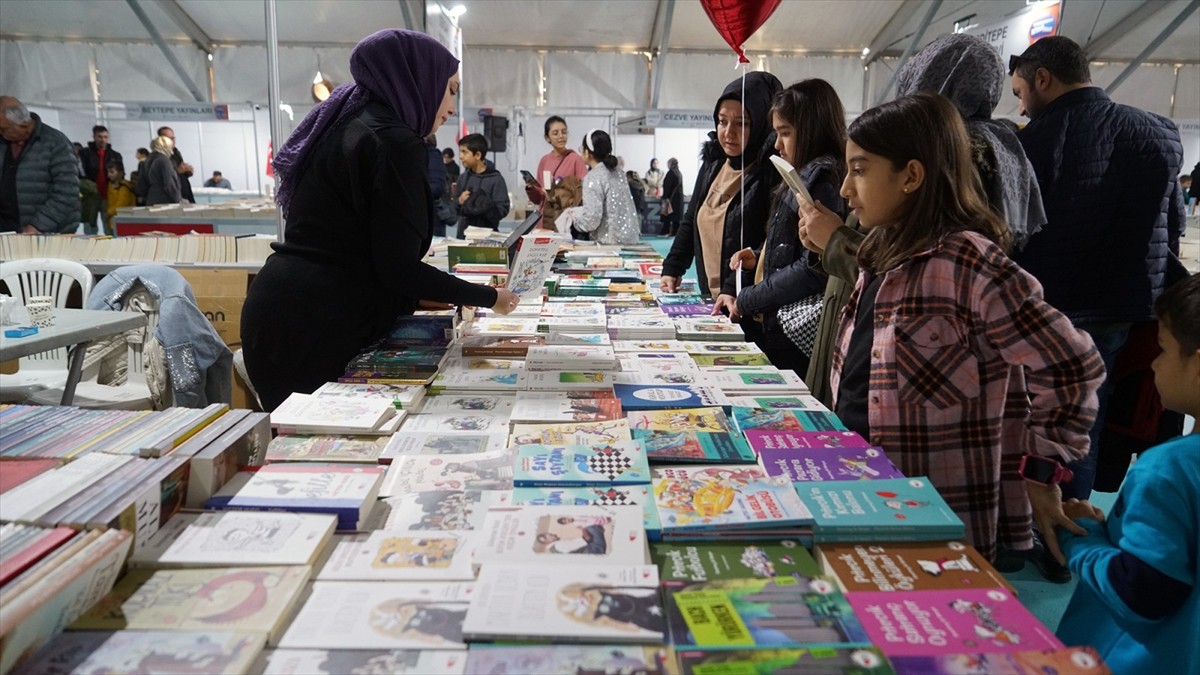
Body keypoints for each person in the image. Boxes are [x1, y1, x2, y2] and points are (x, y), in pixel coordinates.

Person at [829, 92, 1104, 563]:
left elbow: (1072, 365)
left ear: (911, 175)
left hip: (943, 516)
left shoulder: (968, 266)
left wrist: (1039, 469)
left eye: (859, 169)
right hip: (865, 488)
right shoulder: (880, 256)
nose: (844, 190)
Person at [241, 29, 520, 411]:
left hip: (287, 316)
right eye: (450, 89)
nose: (452, 107)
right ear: (417, 79)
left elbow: (353, 243)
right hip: (320, 328)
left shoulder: (347, 124)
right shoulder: (395, 142)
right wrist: (491, 298)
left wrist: (419, 293)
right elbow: (397, 267)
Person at [1009, 37, 1185, 517]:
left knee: (1054, 423)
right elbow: (1173, 226)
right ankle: (1075, 519)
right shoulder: (1161, 133)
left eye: (1021, 91)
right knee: (1096, 417)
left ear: (1043, 79)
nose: (1021, 105)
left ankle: (1048, 529)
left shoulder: (1034, 142)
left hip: (1054, 306)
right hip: (1132, 308)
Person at [1055, 272, 1200, 674]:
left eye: (1165, 350)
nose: (1154, 362)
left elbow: (1141, 592)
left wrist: (1081, 539)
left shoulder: (1170, 468)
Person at [725, 79, 847, 375]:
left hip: (792, 329)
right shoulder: (805, 173)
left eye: (786, 134)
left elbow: (813, 267)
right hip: (778, 321)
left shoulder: (823, 180)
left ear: (811, 130)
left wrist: (750, 298)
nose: (777, 144)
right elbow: (796, 245)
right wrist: (761, 256)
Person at [661, 72, 782, 308]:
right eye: (722, 121)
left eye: (742, 123)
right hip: (712, 300)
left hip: (747, 304)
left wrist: (733, 286)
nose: (728, 133)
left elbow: (770, 244)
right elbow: (691, 218)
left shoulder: (771, 172)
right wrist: (673, 266)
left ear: (761, 123)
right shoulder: (714, 163)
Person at [0, 96, 79, 233]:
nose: (1, 133)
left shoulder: (56, 143)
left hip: (47, 233)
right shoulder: (3, 143)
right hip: (8, 230)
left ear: (23, 125)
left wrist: (37, 226)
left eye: (3, 129)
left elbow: (66, 192)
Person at [557, 129, 640, 245]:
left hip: (607, 244)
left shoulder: (593, 177)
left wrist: (574, 218)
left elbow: (591, 221)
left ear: (587, 152)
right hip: (630, 240)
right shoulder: (618, 172)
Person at [524, 115, 589, 230]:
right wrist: (531, 188)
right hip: (545, 220)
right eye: (555, 133)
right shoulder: (544, 161)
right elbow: (539, 199)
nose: (561, 136)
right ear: (547, 138)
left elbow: (585, 192)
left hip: (565, 220)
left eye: (564, 132)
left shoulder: (575, 159)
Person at [452, 132, 509, 237]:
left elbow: (503, 210)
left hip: (487, 236)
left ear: (477, 155)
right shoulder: (463, 178)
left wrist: (485, 205)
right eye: (460, 152)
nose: (460, 157)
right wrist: (459, 201)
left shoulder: (496, 179)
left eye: (464, 152)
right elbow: (454, 209)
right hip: (463, 236)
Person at [79, 125, 122, 235]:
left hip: (108, 195)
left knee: (109, 226)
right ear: (94, 136)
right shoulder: (84, 154)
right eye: (100, 137)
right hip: (90, 195)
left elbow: (120, 173)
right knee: (90, 228)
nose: (103, 140)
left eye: (105, 137)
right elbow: (81, 172)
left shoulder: (115, 155)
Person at [134, 135, 181, 206]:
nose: (172, 152)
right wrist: (178, 199)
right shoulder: (164, 161)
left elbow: (141, 186)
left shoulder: (146, 161)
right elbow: (169, 184)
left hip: (151, 200)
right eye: (170, 148)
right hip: (166, 202)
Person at [156, 126, 194, 203]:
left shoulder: (176, 152)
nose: (173, 141)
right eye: (169, 139)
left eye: (173, 138)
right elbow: (163, 178)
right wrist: (177, 171)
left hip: (184, 191)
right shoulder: (159, 156)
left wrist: (187, 171)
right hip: (172, 197)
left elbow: (180, 172)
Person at [104, 160, 136, 233]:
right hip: (114, 220)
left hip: (124, 221)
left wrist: (109, 213)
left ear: (120, 173)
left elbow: (122, 204)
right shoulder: (111, 184)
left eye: (112, 172)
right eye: (108, 172)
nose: (109, 175)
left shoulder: (125, 187)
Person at [661, 157, 683, 236]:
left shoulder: (671, 173)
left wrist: (665, 196)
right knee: (676, 217)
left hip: (671, 198)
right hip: (678, 198)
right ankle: (675, 232)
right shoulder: (679, 173)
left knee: (667, 215)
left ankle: (665, 231)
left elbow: (668, 186)